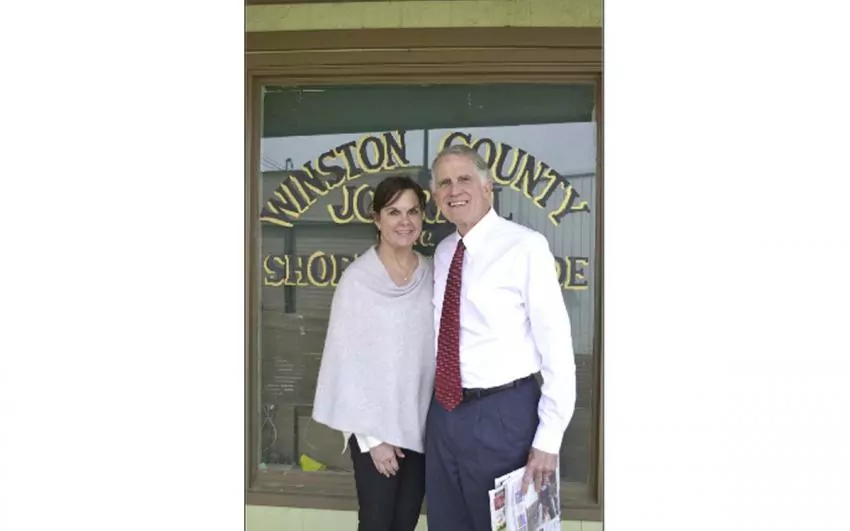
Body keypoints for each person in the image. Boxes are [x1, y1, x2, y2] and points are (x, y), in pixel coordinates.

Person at [425, 144, 577, 531]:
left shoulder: (525, 246)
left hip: (503, 414)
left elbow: (556, 346)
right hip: (444, 413)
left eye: (464, 179)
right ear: (435, 196)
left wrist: (549, 437)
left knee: (509, 526)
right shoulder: (443, 252)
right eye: (444, 183)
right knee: (447, 523)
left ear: (487, 186)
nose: (454, 190)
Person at [312, 175, 435, 531]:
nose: (404, 221)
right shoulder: (357, 280)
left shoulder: (431, 274)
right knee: (377, 523)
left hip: (421, 427)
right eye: (394, 212)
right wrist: (372, 440)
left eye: (412, 211)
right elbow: (345, 363)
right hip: (374, 433)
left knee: (405, 523)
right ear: (377, 219)